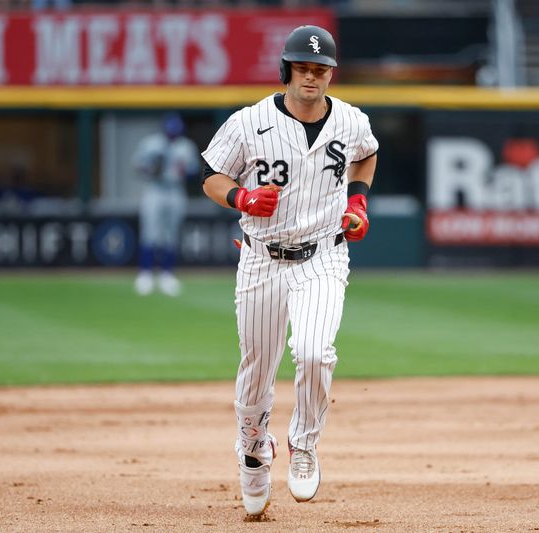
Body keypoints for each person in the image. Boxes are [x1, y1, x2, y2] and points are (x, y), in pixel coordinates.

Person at [201, 25, 378, 518]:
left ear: (330, 75)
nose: (312, 76)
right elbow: (212, 176)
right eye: (303, 67)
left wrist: (359, 203)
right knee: (257, 371)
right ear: (287, 70)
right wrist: (240, 197)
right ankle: (254, 451)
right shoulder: (249, 121)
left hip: (323, 254)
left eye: (321, 69)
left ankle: (304, 443)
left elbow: (366, 155)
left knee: (316, 352)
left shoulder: (350, 120)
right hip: (260, 258)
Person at [133, 112, 199, 296]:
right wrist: (151, 169)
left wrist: (185, 171)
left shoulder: (185, 146)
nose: (172, 134)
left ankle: (166, 275)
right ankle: (145, 274)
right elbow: (137, 166)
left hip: (175, 189)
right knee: (150, 232)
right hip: (154, 189)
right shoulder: (151, 143)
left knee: (171, 233)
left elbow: (193, 171)